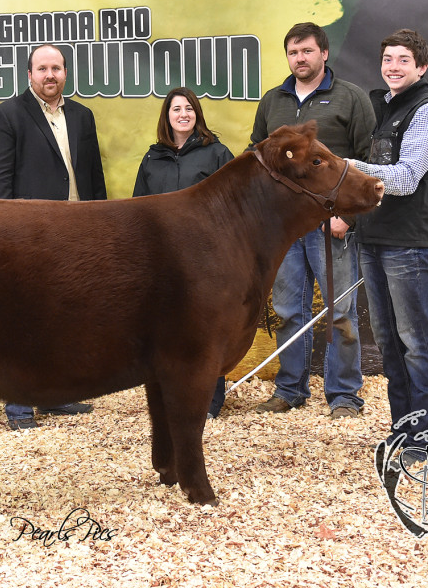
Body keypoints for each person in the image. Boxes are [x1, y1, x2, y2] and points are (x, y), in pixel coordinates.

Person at [249, 22, 374, 420]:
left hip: (331, 226)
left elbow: (368, 163)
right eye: (292, 52)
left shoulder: (351, 98)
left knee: (340, 311)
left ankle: (344, 396)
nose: (299, 58)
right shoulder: (273, 101)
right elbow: (257, 159)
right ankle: (290, 389)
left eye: (306, 51)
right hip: (284, 228)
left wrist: (348, 219)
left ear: (323, 53)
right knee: (288, 309)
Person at [0, 43, 107, 430]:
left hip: (76, 234)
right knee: (22, 318)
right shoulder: (7, 115)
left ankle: (55, 396)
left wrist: (100, 227)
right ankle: (19, 406)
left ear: (65, 72)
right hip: (28, 236)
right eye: (42, 68)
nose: (50, 75)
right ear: (29, 74)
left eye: (56, 68)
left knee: (65, 317)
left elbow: (92, 176)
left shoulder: (83, 116)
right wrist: (7, 234)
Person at [349, 29, 428, 460]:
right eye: (388, 58)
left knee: (416, 341)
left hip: (408, 243)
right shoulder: (381, 107)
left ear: (421, 67)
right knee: (390, 343)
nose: (393, 66)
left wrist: (343, 168)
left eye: (403, 60)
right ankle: (403, 430)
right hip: (373, 237)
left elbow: (408, 177)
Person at [133, 87, 234, 418]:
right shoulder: (152, 158)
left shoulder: (217, 154)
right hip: (162, 261)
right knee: (165, 330)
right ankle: (167, 399)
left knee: (205, 329)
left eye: (189, 108)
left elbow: (233, 205)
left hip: (205, 260)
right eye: (176, 109)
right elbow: (138, 208)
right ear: (167, 116)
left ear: (197, 115)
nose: (183, 114)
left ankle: (209, 401)